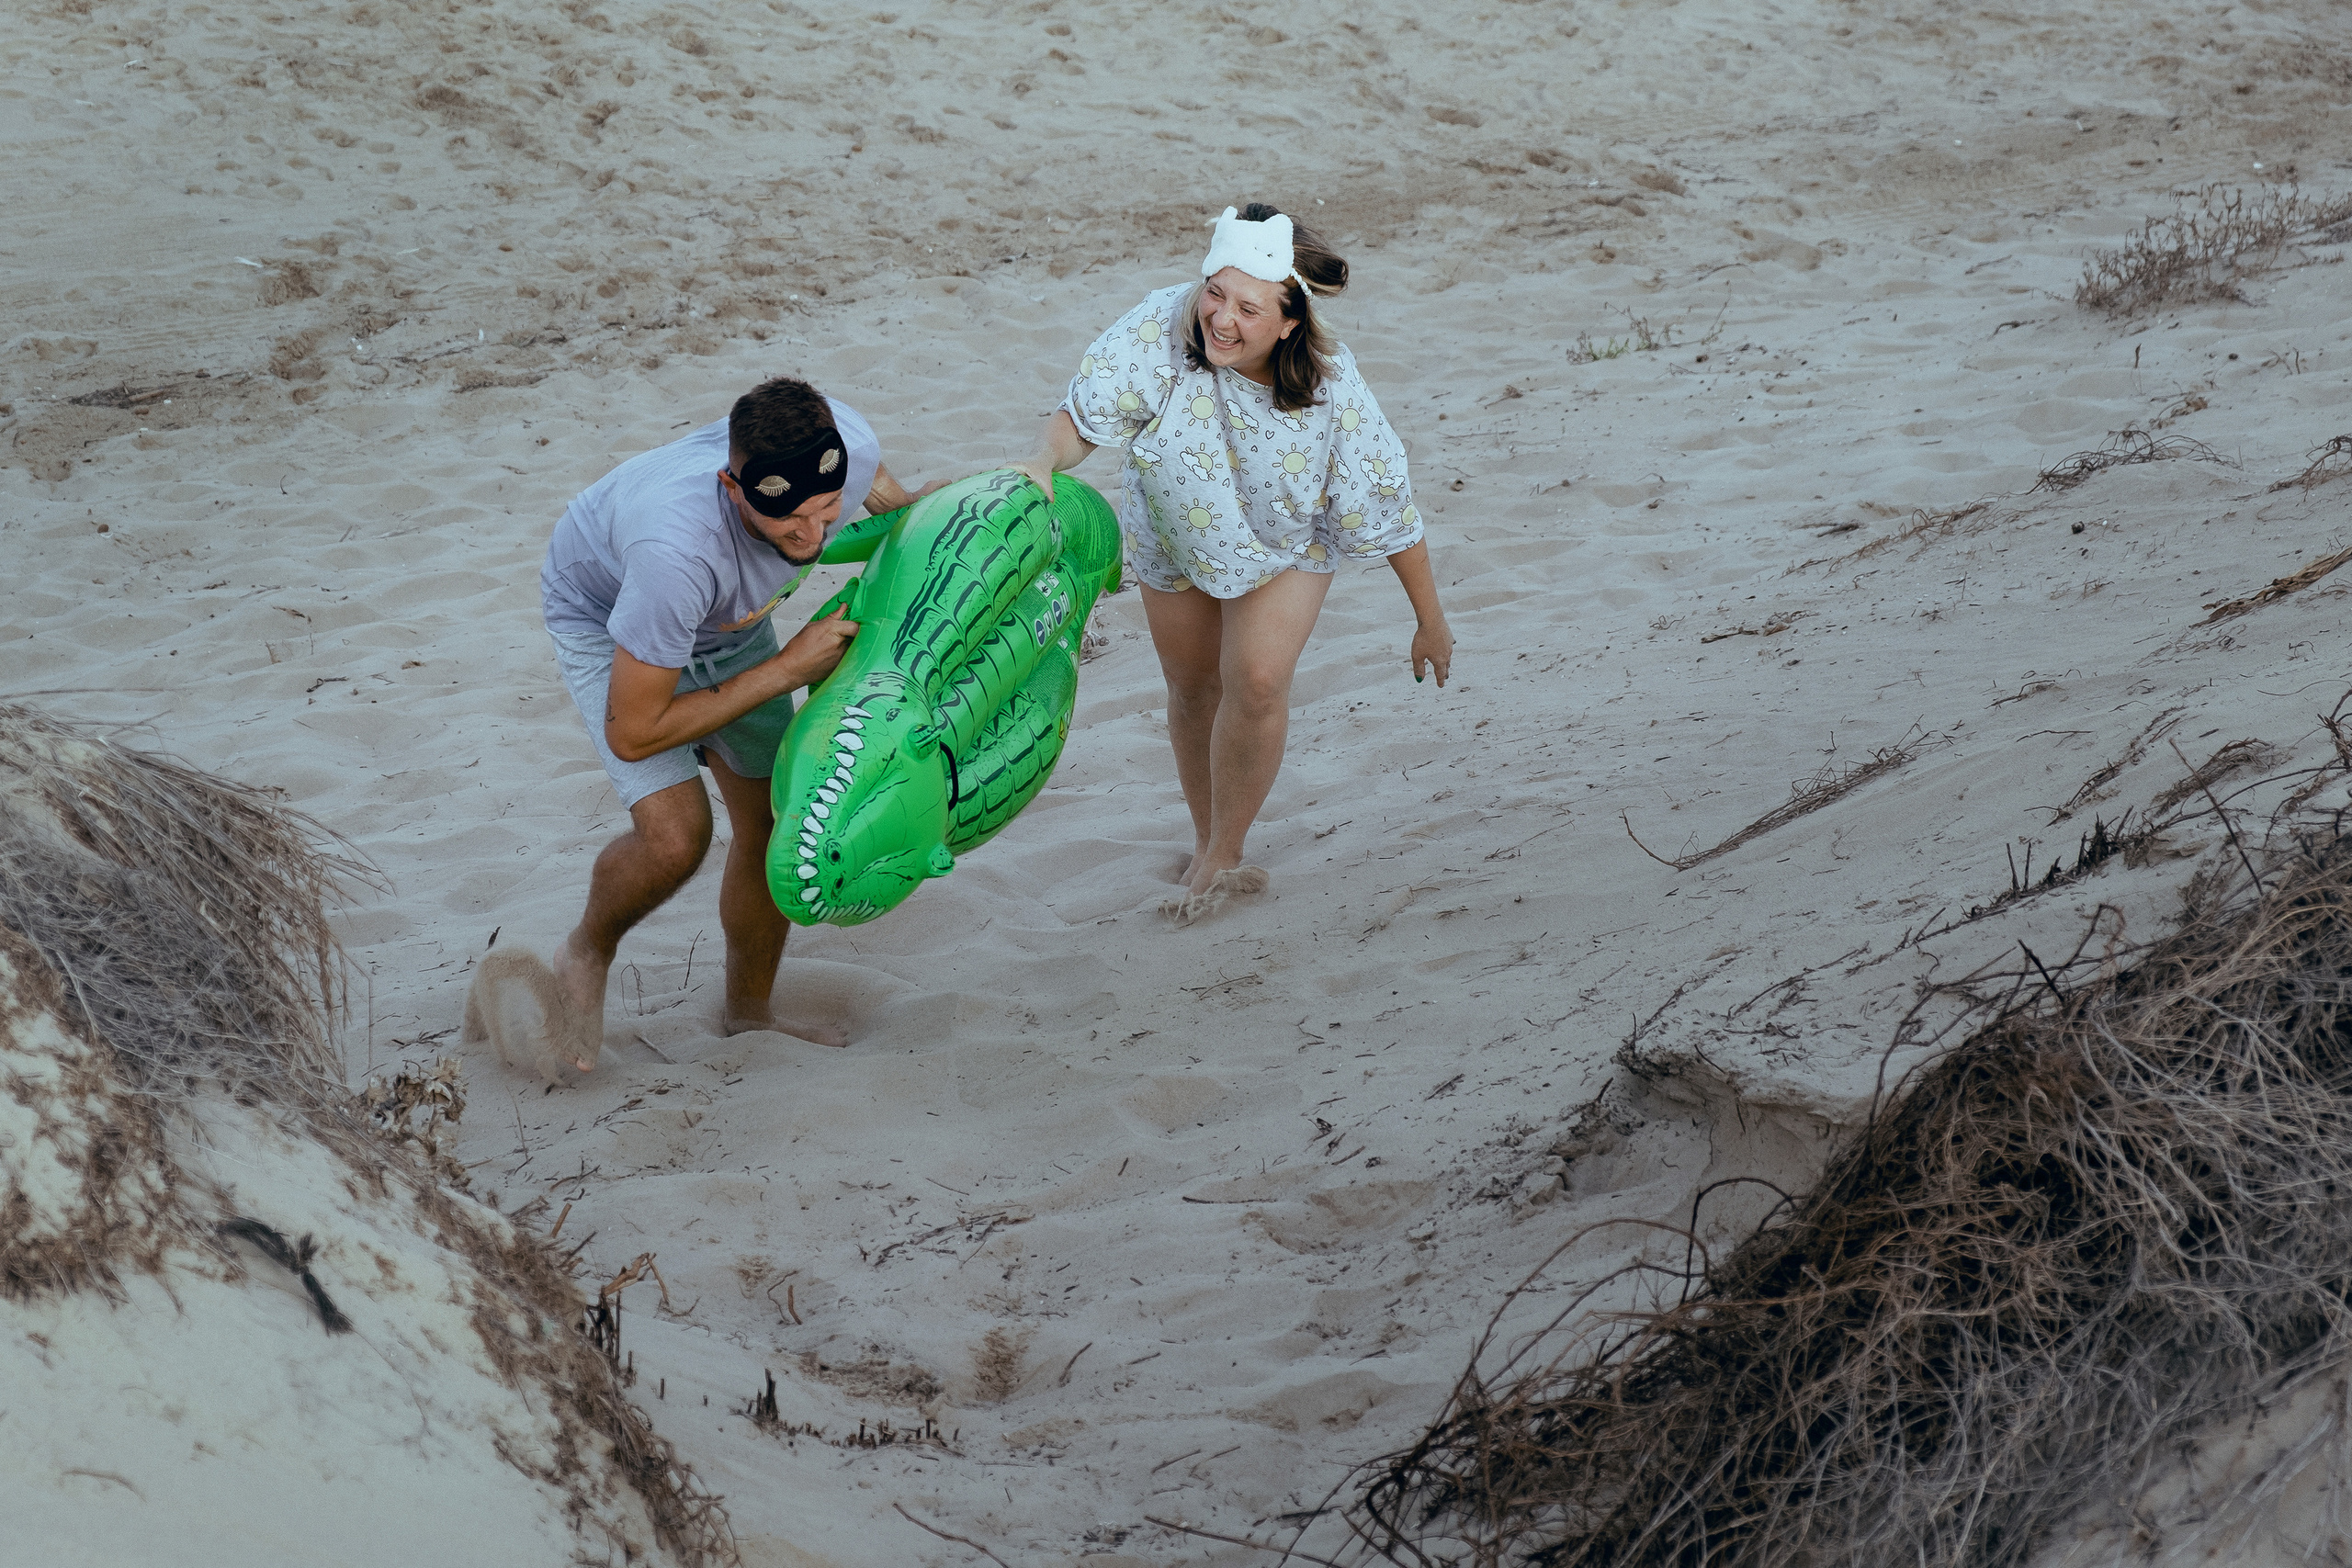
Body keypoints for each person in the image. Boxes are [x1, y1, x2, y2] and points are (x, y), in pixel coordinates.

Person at [1017, 202, 1453, 924]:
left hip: (1289, 543)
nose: (1221, 318)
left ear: (1289, 321)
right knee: (1192, 688)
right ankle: (1203, 831)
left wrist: (1429, 621)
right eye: (1214, 293)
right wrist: (1042, 460)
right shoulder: (1162, 327)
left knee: (1252, 680)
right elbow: (1084, 415)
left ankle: (1227, 846)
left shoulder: (1332, 388)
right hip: (1176, 533)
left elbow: (1388, 504)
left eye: (1248, 307)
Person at [537, 376, 933, 1066]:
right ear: (734, 489)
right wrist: (785, 671)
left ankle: (749, 1013)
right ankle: (587, 949)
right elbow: (634, 731)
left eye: (826, 511)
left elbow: (884, 495)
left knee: (779, 821)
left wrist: (913, 510)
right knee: (676, 839)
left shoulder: (850, 448)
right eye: (790, 523)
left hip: (729, 619)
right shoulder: (674, 559)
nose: (813, 537)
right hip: (613, 617)